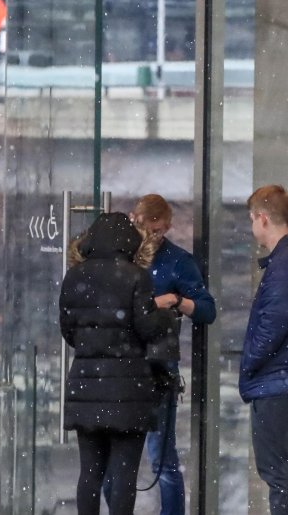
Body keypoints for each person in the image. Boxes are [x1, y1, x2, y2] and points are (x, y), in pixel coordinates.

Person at [103, 194, 217, 515]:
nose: (150, 237)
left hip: (154, 371)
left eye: (157, 231)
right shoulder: (119, 259)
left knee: (160, 459)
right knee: (122, 462)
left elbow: (207, 310)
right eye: (145, 228)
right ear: (133, 220)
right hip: (122, 370)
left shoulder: (177, 262)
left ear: (167, 227)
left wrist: (175, 301)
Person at [61, 212, 179, 515]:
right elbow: (146, 328)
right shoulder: (134, 276)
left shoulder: (74, 276)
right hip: (128, 390)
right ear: (129, 242)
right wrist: (165, 316)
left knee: (89, 472)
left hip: (86, 388)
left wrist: (93, 347)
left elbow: (68, 331)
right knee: (124, 474)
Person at [239, 185, 288, 515]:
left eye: (251, 219)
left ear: (262, 218)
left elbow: (273, 325)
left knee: (277, 474)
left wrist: (249, 364)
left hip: (275, 385)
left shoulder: (283, 267)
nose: (251, 227)